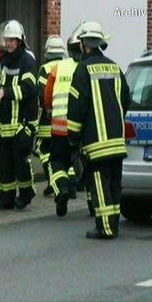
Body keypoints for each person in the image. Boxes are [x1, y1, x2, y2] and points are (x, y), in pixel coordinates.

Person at [66, 21, 130, 239]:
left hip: (96, 143)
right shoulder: (115, 67)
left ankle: (105, 227)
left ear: (84, 44)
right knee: (114, 185)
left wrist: (73, 139)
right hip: (117, 140)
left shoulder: (82, 70)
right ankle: (114, 223)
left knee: (100, 186)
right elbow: (126, 99)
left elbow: (76, 108)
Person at [0, 20, 38, 211]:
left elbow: (29, 88)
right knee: (5, 163)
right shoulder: (3, 60)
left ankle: (26, 194)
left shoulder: (28, 60)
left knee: (21, 162)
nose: (9, 43)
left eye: (12, 40)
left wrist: (5, 92)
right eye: (7, 40)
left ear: (20, 41)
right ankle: (6, 198)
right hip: (4, 121)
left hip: (22, 122)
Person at [44, 26, 84, 217]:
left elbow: (47, 96)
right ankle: (93, 203)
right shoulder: (85, 68)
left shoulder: (58, 67)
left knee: (57, 162)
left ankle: (62, 190)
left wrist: (50, 112)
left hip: (59, 128)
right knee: (84, 163)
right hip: (82, 129)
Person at [35, 35, 67, 197]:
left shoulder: (45, 69)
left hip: (48, 119)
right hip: (65, 120)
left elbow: (41, 94)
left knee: (43, 149)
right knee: (64, 153)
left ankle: (54, 181)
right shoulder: (68, 66)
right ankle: (66, 183)